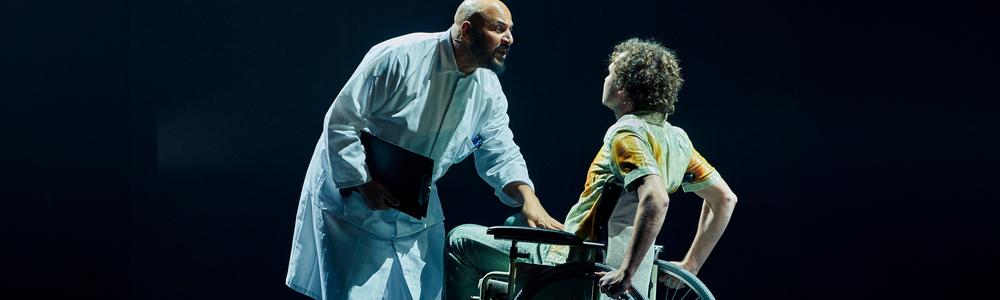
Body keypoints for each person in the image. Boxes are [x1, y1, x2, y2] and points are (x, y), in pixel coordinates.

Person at [285, 1, 564, 299]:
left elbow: (501, 150)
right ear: (466, 30)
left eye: (510, 30)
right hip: (356, 204)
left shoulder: (488, 89)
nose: (509, 38)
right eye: (498, 29)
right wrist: (364, 182)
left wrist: (528, 199)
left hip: (414, 208)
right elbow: (341, 121)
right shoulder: (401, 56)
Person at [445, 38, 738, 299]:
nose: (605, 78)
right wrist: (690, 266)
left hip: (576, 263)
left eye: (610, 73)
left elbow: (656, 198)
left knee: (461, 240)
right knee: (514, 222)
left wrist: (626, 272)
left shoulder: (626, 133)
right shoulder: (677, 139)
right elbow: (724, 199)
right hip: (621, 265)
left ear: (623, 88)